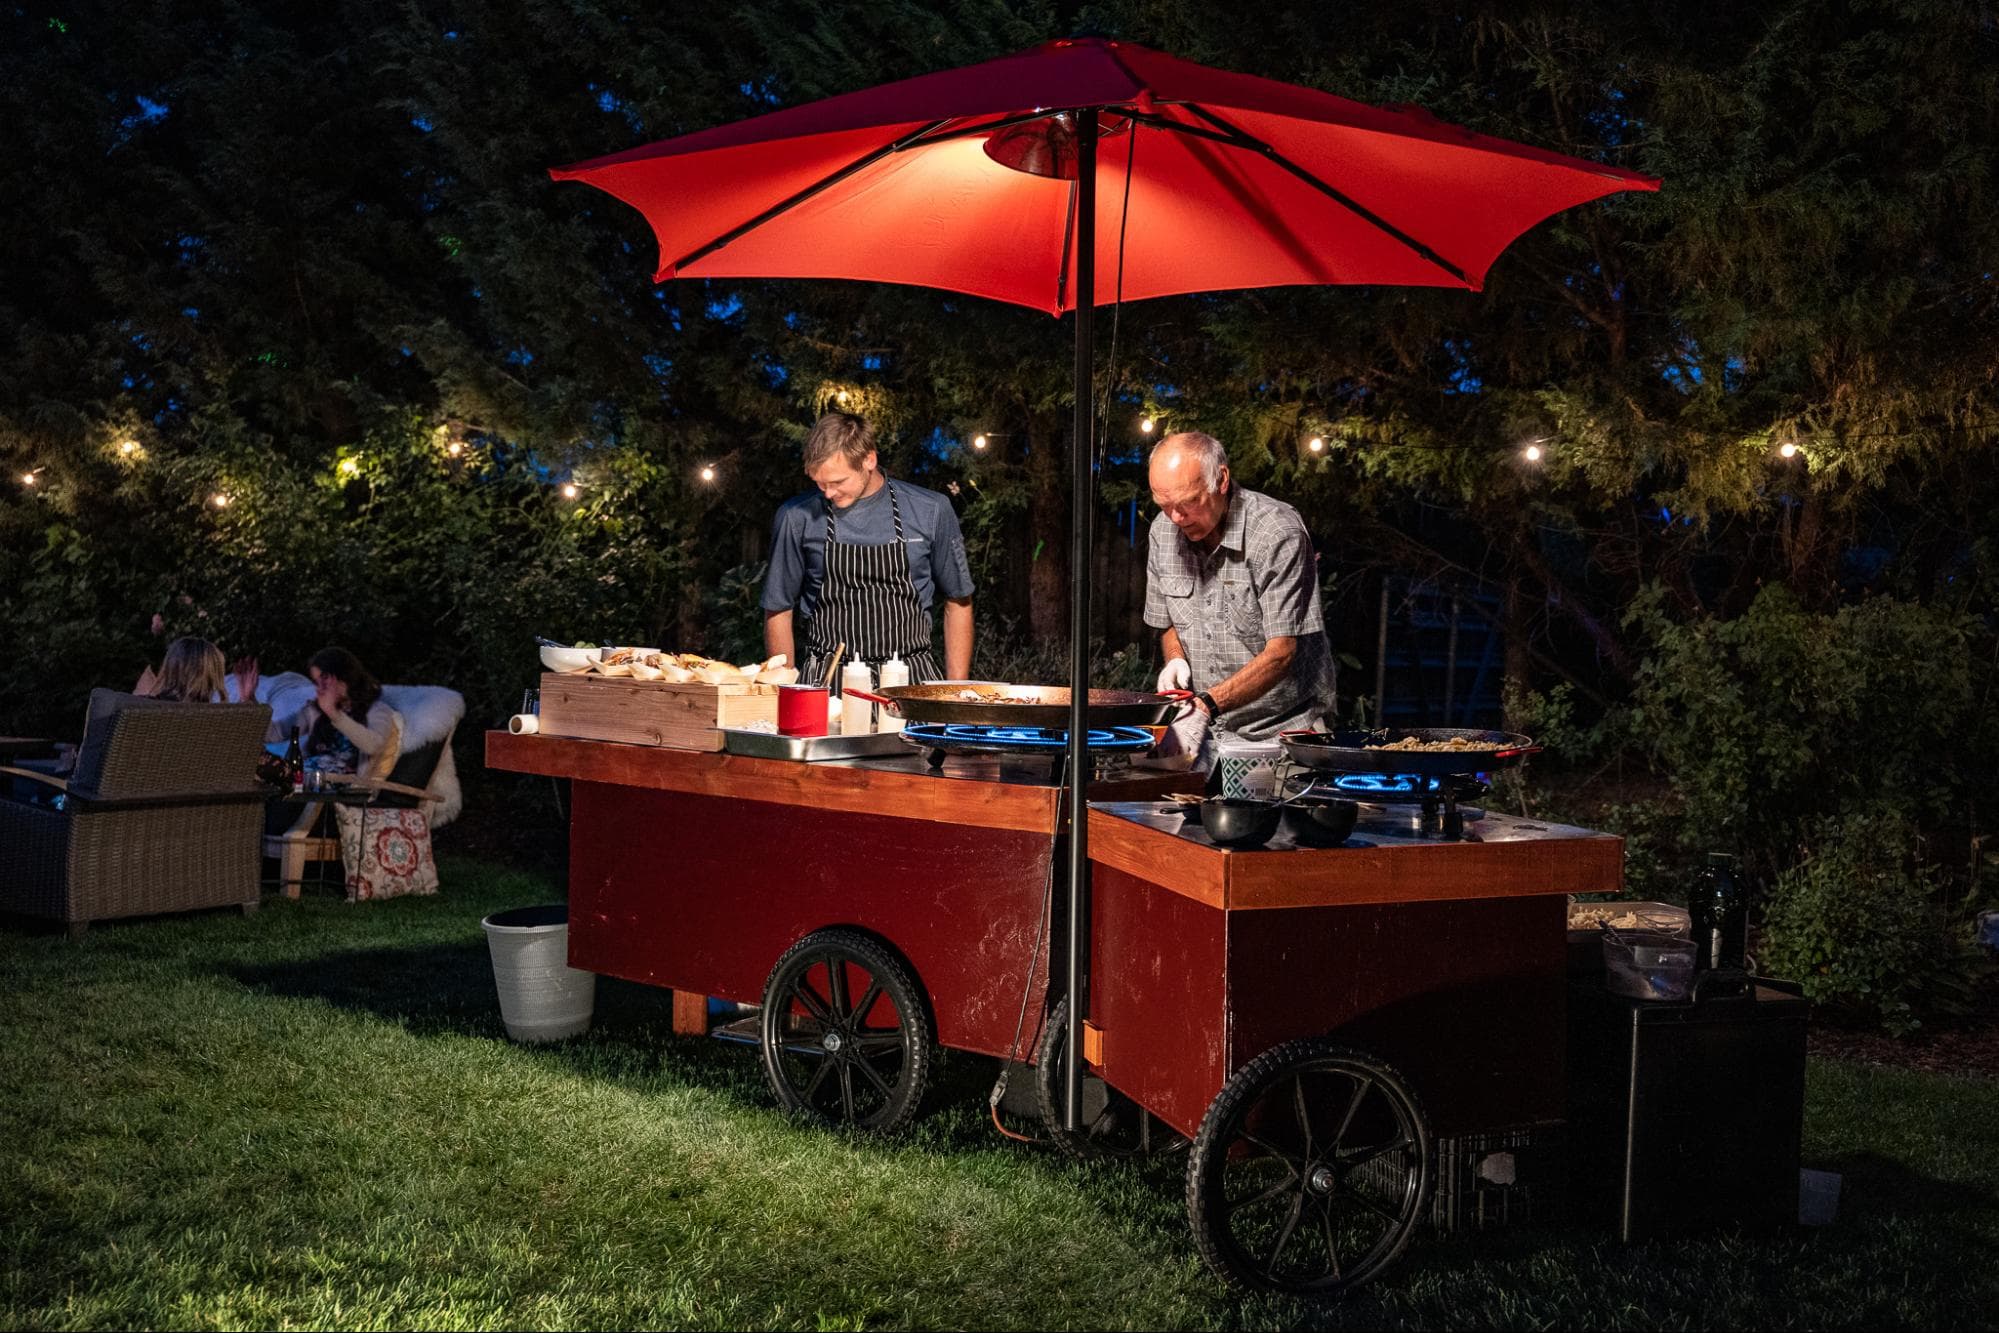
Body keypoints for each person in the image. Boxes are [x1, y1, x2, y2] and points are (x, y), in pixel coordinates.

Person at [1143, 432, 1335, 767]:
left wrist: (1206, 704)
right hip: (1205, 735)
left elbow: (1281, 654)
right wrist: (1176, 659)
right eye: (1164, 505)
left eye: (1188, 502)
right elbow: (1169, 621)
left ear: (1221, 479)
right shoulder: (1163, 531)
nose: (1177, 518)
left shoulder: (1277, 534)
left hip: (1283, 735)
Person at [761, 411, 976, 682]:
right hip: (826, 681)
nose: (828, 493)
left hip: (910, 679)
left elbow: (959, 601)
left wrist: (954, 693)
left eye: (838, 482)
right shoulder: (796, 517)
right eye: (819, 483)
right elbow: (778, 608)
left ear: (869, 460)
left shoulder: (931, 510)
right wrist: (786, 696)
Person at [296, 646, 402, 781]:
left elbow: (373, 746)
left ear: (344, 676)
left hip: (340, 789)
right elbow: (278, 732)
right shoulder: (315, 711)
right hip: (305, 780)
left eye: (325, 678)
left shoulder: (377, 710)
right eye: (316, 682)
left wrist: (334, 714)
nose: (320, 687)